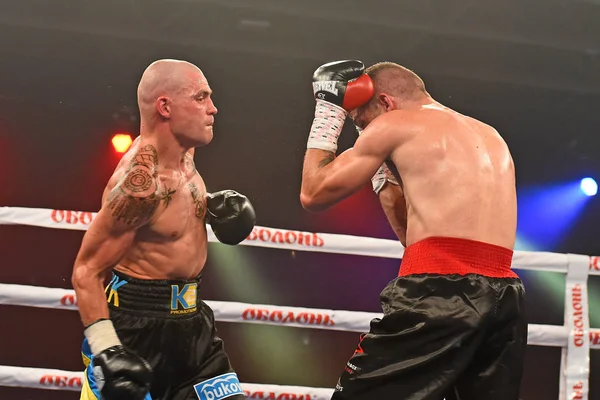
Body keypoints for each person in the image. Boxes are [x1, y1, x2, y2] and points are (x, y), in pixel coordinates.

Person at [301, 60, 526, 400]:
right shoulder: (489, 135)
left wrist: (329, 111)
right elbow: (410, 236)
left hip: (439, 293)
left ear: (386, 103)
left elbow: (313, 193)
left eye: (362, 121)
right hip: (505, 298)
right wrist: (381, 172)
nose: (364, 131)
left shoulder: (395, 124)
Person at [71, 59, 255, 400]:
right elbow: (86, 271)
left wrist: (212, 207)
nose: (213, 108)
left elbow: (167, 216)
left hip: (194, 327)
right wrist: (107, 350)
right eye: (201, 97)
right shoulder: (139, 187)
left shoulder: (185, 156)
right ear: (165, 107)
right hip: (138, 331)